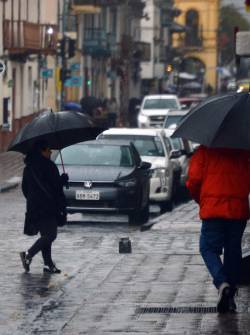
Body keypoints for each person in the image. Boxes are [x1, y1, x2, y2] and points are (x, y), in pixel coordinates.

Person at [186, 145, 250, 313]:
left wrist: (203, 200)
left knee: (207, 247)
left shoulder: (204, 151)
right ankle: (230, 297)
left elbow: (193, 180)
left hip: (213, 210)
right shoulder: (244, 151)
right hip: (238, 210)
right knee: (233, 251)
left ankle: (222, 284)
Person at [20, 140, 68, 274]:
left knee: (46, 235)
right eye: (48, 150)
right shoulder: (49, 166)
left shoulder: (28, 167)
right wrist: (63, 179)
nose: (51, 152)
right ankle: (28, 255)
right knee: (50, 235)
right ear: (42, 151)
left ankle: (48, 264)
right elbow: (55, 186)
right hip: (48, 206)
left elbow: (25, 189)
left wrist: (33, 199)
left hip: (34, 207)